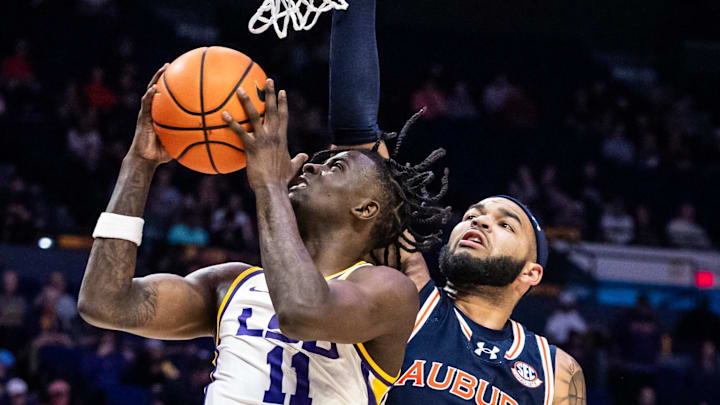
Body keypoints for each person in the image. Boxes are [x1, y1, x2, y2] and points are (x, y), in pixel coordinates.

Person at [77, 60, 449, 404]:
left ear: (366, 209)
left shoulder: (389, 290)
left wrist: (270, 185)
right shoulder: (230, 283)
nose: (310, 169)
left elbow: (302, 311)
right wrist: (138, 165)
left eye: (335, 168)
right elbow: (104, 304)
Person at [325, 2, 586, 403]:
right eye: (473, 215)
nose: (479, 222)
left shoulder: (557, 372)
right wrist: (355, 9)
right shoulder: (409, 300)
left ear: (531, 274)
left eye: (505, 225)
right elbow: (359, 148)